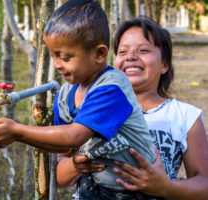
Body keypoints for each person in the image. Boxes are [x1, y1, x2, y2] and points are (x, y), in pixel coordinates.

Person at [0, 1, 156, 199]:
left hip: (138, 192)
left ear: (99, 54)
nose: (57, 65)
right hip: (96, 187)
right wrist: (17, 137)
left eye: (65, 57)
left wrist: (18, 131)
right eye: (54, 56)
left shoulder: (112, 88)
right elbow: (63, 146)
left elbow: (74, 136)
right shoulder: (66, 92)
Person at [56, 17, 208, 200]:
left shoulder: (184, 116)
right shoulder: (88, 105)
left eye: (143, 50)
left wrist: (167, 188)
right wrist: (75, 165)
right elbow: (60, 176)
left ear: (164, 65)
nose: (131, 57)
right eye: (123, 51)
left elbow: (204, 185)